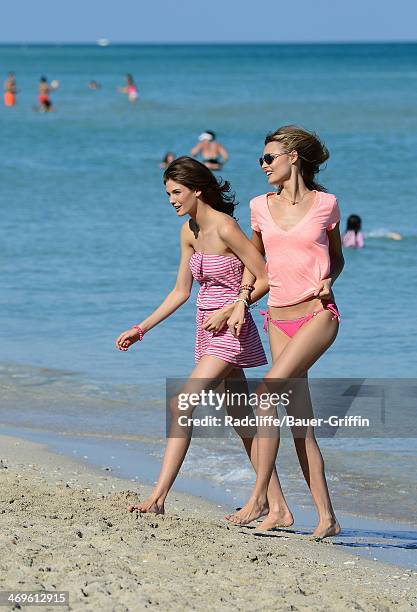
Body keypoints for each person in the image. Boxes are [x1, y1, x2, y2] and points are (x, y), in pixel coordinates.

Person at [116, 156, 269, 515]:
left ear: (197, 190)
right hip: (204, 331)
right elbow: (180, 291)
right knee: (242, 420)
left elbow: (264, 276)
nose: (171, 199)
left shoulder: (226, 227)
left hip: (232, 328)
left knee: (180, 403)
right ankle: (274, 504)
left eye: (177, 192)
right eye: (168, 193)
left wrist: (234, 307)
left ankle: (157, 498)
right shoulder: (188, 231)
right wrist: (141, 329)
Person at [226, 125, 345, 539]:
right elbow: (255, 266)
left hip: (317, 315)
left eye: (269, 158)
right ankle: (327, 518)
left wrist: (329, 280)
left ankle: (260, 497)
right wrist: (242, 300)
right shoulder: (260, 208)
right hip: (276, 317)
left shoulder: (326, 205)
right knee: (300, 424)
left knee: (266, 390)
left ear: (293, 157)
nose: (263, 165)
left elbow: (337, 259)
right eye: (262, 159)